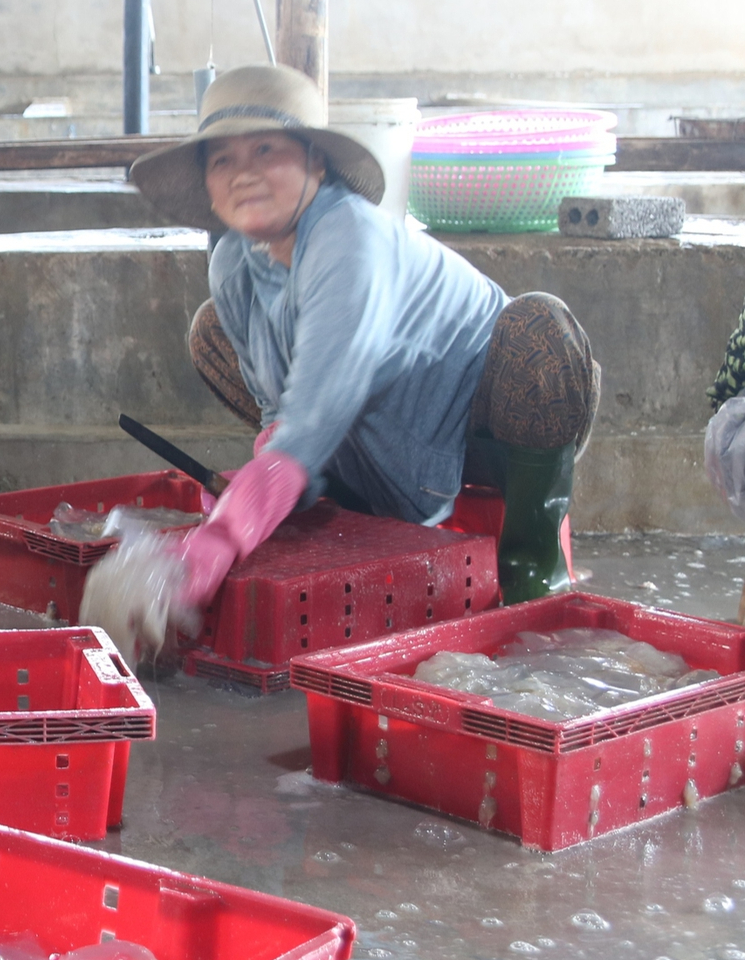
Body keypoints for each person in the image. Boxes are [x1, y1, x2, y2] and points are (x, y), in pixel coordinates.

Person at [126, 64, 599, 628]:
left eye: (266, 151)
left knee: (541, 329)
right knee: (211, 334)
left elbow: (322, 404)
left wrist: (225, 535)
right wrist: (264, 484)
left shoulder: (347, 236)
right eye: (222, 159)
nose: (243, 175)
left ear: (316, 162)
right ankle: (344, 501)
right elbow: (284, 408)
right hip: (378, 427)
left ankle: (534, 573)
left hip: (481, 416)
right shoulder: (233, 262)